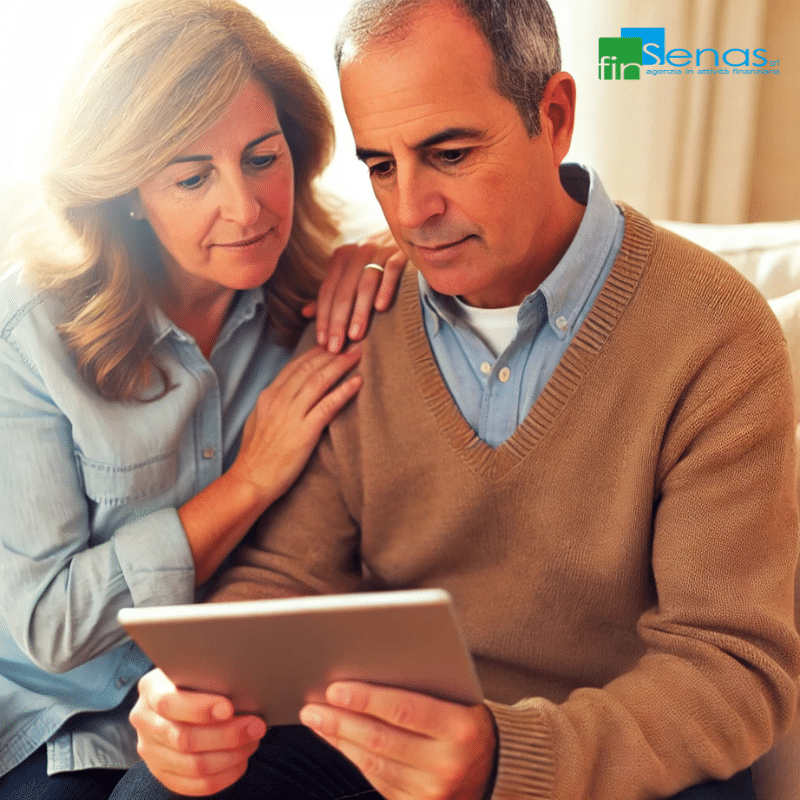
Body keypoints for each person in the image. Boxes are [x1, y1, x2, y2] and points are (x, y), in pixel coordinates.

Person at [114, 0, 800, 798]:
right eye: (381, 166)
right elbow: (283, 577)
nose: (411, 211)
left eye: (449, 154)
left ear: (555, 116)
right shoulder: (361, 314)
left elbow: (730, 669)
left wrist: (505, 758)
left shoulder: (713, 331)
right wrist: (200, 697)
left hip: (618, 761)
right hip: (387, 742)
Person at [0, 0, 408, 797]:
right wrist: (249, 480)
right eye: (193, 178)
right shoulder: (30, 335)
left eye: (262, 158)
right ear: (127, 191)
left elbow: (445, 231)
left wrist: (394, 257)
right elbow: (52, 625)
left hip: (233, 700)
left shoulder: (318, 291)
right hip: (57, 717)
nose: (247, 209)